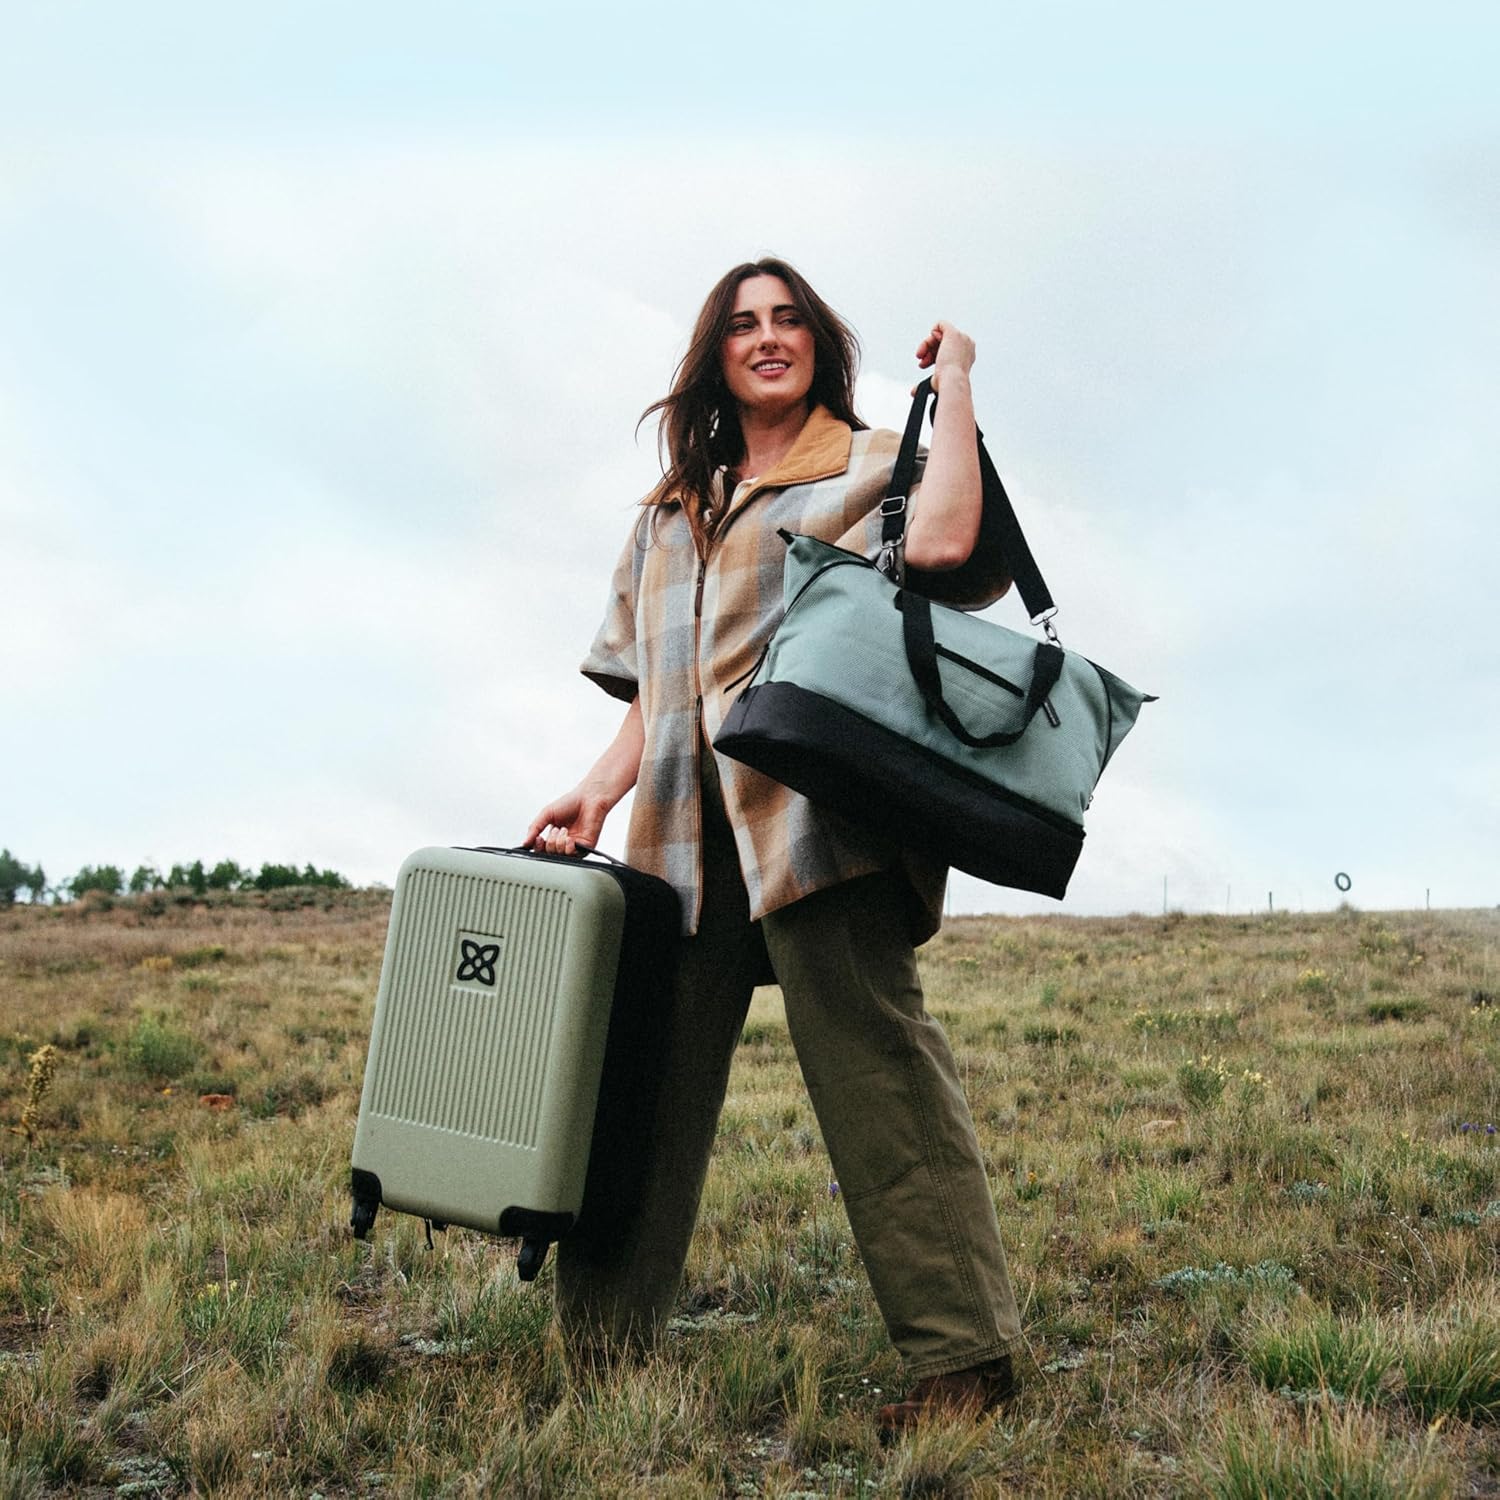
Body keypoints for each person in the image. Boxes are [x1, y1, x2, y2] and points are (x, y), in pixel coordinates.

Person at [524, 257, 1023, 1432]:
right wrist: (597, 792)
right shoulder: (668, 511)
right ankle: (601, 1356)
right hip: (676, 847)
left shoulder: (865, 462)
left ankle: (964, 1362)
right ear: (715, 355)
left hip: (820, 827)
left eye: (789, 319)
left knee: (881, 1082)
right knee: (635, 1093)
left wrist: (955, 381)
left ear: (818, 344)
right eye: (745, 323)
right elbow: (655, 691)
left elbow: (949, 541)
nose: (768, 337)